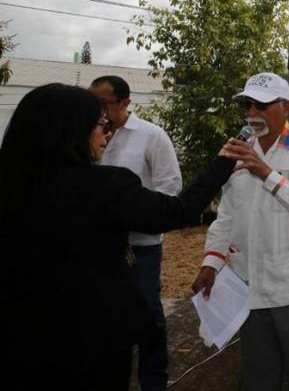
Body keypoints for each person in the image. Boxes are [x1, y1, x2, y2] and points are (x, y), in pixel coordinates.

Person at [0, 83, 241, 390]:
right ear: (71, 130)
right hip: (91, 341)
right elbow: (178, 211)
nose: (107, 133)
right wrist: (223, 161)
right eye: (100, 124)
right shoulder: (102, 187)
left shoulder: (12, 183)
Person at [191, 72, 289, 391]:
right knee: (258, 375)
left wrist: (266, 172)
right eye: (248, 105)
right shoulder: (236, 151)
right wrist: (210, 264)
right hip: (247, 286)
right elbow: (226, 216)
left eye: (263, 106)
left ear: (287, 107)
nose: (253, 114)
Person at [89, 75, 181, 391]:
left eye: (104, 103)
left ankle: (153, 381)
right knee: (105, 313)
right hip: (100, 246)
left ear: (126, 103)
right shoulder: (86, 134)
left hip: (141, 246)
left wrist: (134, 214)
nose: (98, 110)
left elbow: (171, 189)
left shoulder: (151, 136)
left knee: (146, 313)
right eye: (94, 102)